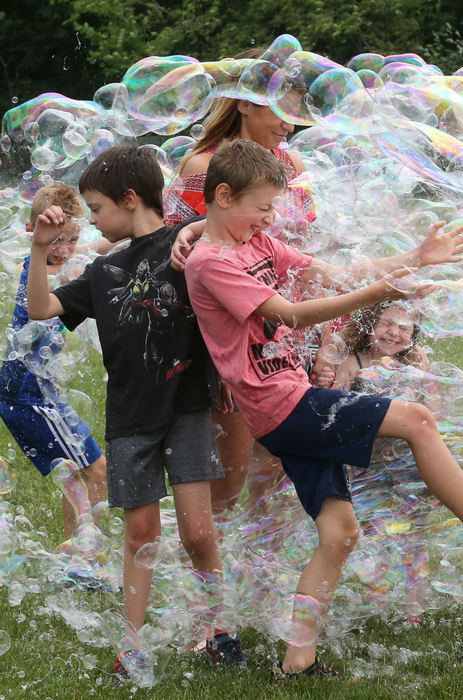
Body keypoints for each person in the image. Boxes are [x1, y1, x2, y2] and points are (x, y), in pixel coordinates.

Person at [183, 139, 463, 680]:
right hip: (282, 405)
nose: (270, 219)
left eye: (273, 208)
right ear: (223, 197)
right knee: (417, 419)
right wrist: (382, 290)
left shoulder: (261, 246)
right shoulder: (211, 262)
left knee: (339, 533)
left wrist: (414, 259)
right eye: (262, 208)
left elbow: (336, 271)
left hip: (289, 405)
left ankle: (298, 661)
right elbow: (291, 314)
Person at [25, 145, 245, 680]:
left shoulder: (187, 242)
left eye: (98, 209)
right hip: (130, 418)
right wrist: (38, 249)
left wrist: (192, 233)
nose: (94, 220)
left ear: (129, 199)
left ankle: (218, 630)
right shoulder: (104, 270)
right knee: (139, 531)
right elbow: (42, 308)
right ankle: (132, 645)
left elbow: (232, 240)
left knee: (198, 533)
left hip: (187, 408)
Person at [165, 73, 318, 515]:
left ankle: (260, 572)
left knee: (274, 473)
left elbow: (306, 248)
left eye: (296, 115)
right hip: (228, 339)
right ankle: (210, 576)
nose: (290, 125)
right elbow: (179, 251)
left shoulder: (293, 168)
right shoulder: (203, 165)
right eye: (281, 111)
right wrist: (218, 364)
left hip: (285, 330)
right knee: (229, 483)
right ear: (245, 104)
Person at [0, 184, 108, 548]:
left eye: (72, 240)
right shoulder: (42, 271)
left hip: (35, 390)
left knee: (77, 473)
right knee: (96, 470)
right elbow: (79, 269)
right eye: (55, 240)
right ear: (35, 234)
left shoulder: (56, 260)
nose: (64, 250)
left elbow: (98, 250)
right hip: (29, 394)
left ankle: (77, 555)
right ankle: (84, 555)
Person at [315, 301, 435, 623]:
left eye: (403, 327)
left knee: (415, 534)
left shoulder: (417, 360)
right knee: (372, 532)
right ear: (369, 323)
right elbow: (336, 412)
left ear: (414, 333)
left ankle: (414, 610)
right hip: (366, 465)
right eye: (386, 323)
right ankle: (378, 601)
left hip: (410, 463)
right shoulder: (353, 363)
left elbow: (432, 406)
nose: (394, 332)